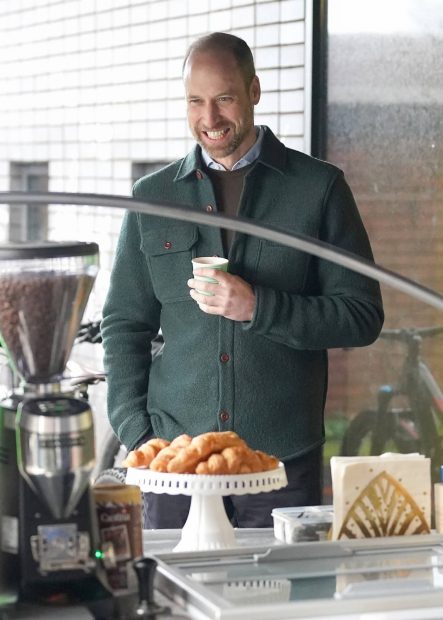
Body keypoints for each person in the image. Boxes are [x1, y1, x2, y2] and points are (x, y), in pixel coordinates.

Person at [101, 32, 384, 528]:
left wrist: (258, 307)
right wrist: (136, 432)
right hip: (174, 462)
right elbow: (124, 324)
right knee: (172, 599)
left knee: (276, 600)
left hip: (280, 463)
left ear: (254, 90)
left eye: (224, 98)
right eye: (195, 101)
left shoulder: (319, 188)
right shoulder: (152, 197)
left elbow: (361, 316)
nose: (209, 119)